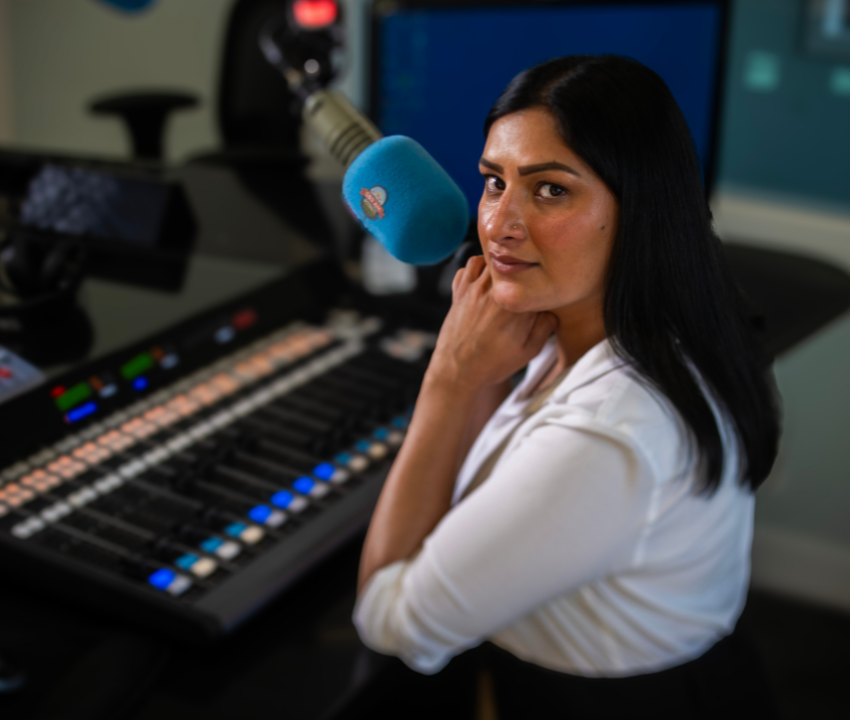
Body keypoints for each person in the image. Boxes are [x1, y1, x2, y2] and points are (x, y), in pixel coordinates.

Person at [352, 55, 781, 718]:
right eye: (494, 182)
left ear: (639, 208)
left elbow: (391, 623)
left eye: (550, 189)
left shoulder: (608, 437)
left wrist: (449, 378)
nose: (498, 224)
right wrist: (481, 368)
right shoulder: (641, 323)